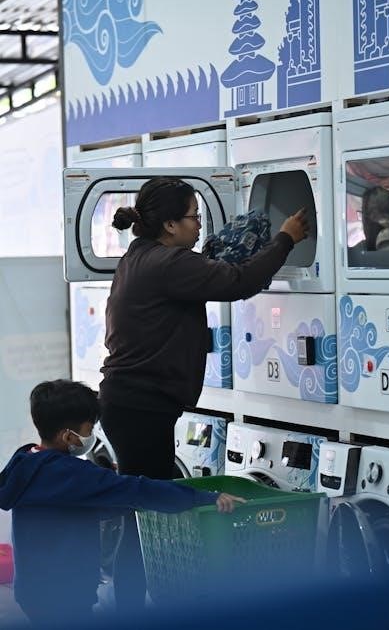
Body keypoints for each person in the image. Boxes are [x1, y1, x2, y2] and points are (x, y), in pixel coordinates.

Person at [98, 176, 309, 615]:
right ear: (170, 225)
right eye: (194, 217)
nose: (199, 226)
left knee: (143, 510)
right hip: (141, 406)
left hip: (130, 403)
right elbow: (239, 282)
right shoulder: (167, 262)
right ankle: (137, 610)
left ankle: (136, 606)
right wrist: (285, 239)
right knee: (149, 514)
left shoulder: (140, 255)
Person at [0, 379, 244, 628]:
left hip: (32, 591)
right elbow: (138, 490)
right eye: (88, 429)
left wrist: (116, 491)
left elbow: (76, 506)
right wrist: (202, 497)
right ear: (68, 436)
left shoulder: (26, 462)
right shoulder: (71, 474)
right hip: (66, 595)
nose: (90, 436)